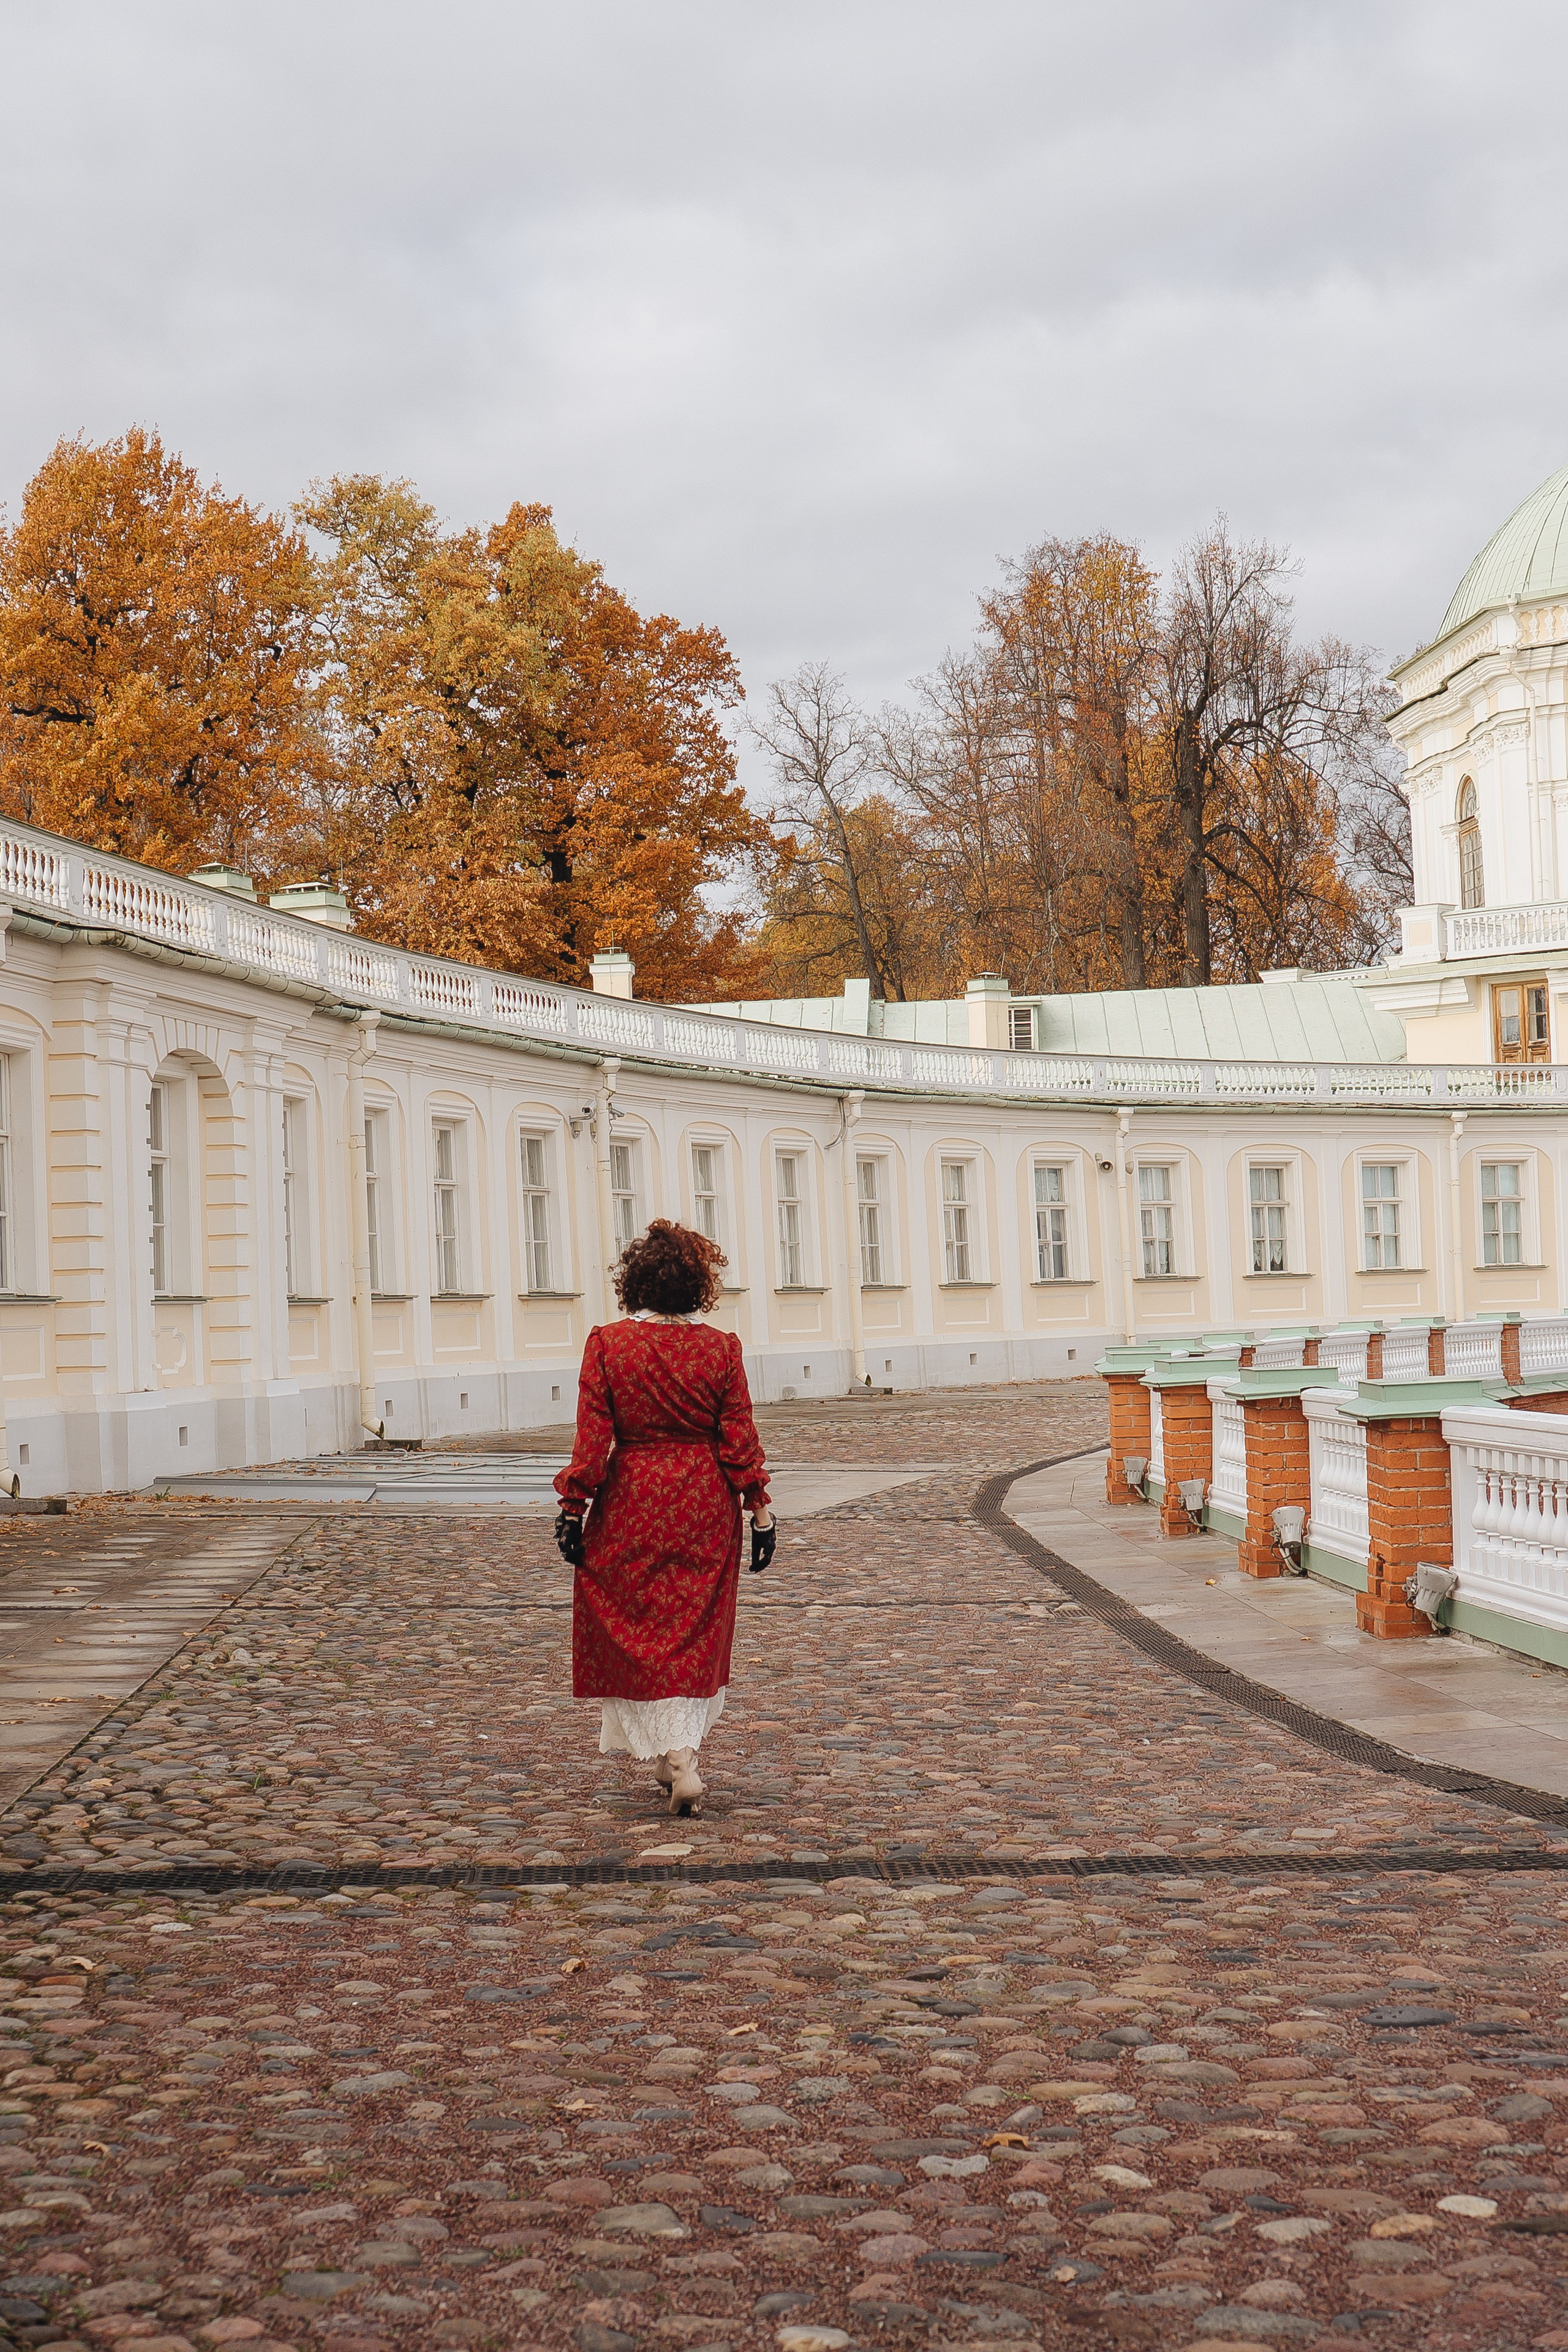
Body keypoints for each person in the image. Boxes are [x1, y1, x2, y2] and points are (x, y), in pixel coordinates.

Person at [552, 1219, 775, 1816]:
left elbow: (592, 1438)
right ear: (700, 1284)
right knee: (691, 1630)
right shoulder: (720, 1348)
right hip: (705, 1502)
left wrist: (573, 1508)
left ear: (635, 1281)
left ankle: (677, 1756)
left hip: (632, 1498)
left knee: (633, 1628)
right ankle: (672, 1755)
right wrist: (759, 1508)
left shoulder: (609, 1344)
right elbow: (738, 1437)